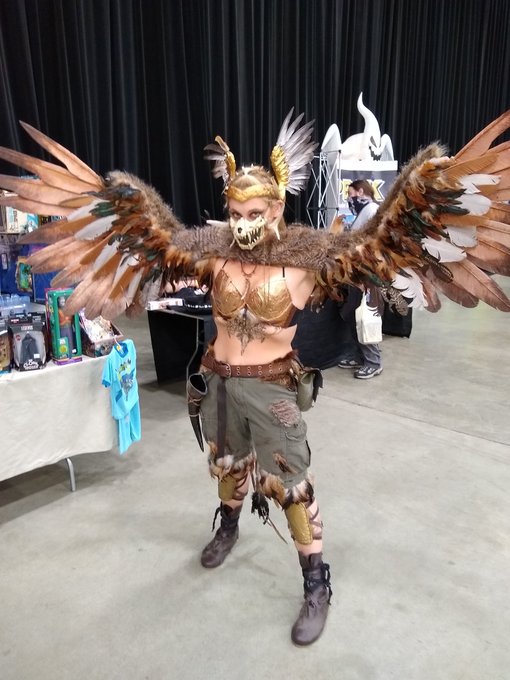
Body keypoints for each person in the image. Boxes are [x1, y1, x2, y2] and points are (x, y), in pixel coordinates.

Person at [2, 110, 510, 648]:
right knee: (226, 467)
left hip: (273, 392)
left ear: (276, 208)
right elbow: (144, 242)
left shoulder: (310, 260)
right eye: (234, 212)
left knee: (292, 487)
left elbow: (385, 245)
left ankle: (316, 582)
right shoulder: (208, 255)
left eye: (254, 212)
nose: (242, 222)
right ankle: (228, 526)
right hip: (220, 386)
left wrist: (423, 198)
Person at [337, 180, 383, 379]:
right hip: (357, 274)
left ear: (361, 191)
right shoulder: (364, 212)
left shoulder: (372, 210)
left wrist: (366, 276)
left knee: (366, 316)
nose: (349, 198)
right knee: (351, 313)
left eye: (350, 194)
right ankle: (359, 355)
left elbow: (373, 244)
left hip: (367, 275)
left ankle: (374, 362)